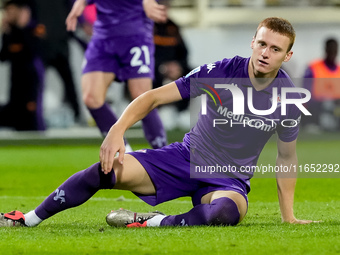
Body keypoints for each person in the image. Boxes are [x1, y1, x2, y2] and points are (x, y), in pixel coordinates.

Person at [0, 17, 317, 228]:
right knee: (105, 170)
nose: (265, 53)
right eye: (262, 44)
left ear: (286, 57)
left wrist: (288, 217)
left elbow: (287, 157)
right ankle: (26, 219)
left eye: (275, 49)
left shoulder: (287, 98)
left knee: (224, 213)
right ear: (252, 42)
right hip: (183, 158)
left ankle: (151, 221)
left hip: (228, 181)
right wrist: (116, 131)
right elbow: (150, 98)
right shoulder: (220, 71)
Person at [65, 0, 168, 150]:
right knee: (91, 98)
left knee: (142, 97)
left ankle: (163, 154)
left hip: (135, 35)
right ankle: (124, 152)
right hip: (103, 37)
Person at [0, 0, 45, 131]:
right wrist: (5, 33)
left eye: (11, 10)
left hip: (31, 83)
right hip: (16, 84)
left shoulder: (33, 28)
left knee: (31, 119)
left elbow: (33, 50)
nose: (8, 14)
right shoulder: (10, 32)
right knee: (17, 119)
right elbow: (3, 57)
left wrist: (22, 27)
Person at [302, 38, 340, 131]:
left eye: (334, 49)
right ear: (326, 49)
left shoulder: (338, 70)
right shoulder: (313, 67)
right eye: (330, 49)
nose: (332, 52)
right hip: (317, 107)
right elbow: (305, 91)